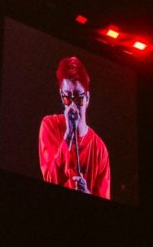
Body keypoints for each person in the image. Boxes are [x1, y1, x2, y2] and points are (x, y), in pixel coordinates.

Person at [38, 56, 111, 199]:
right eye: (67, 98)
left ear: (87, 98)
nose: (73, 106)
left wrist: (87, 193)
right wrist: (68, 135)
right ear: (61, 96)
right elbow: (49, 179)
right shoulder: (49, 125)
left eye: (78, 98)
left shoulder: (100, 149)